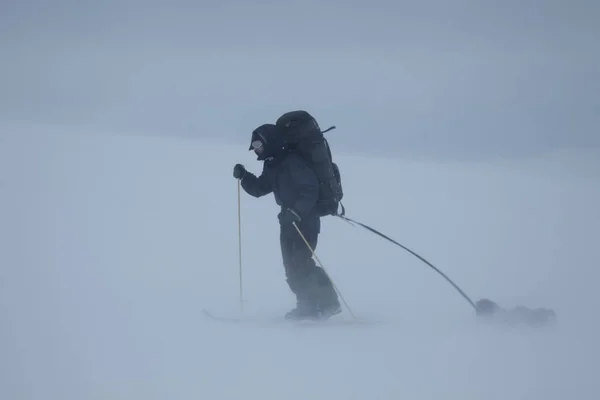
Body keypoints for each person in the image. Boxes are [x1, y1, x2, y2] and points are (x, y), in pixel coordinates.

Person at [233, 123, 341, 320]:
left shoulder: (292, 162)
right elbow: (260, 188)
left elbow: (310, 189)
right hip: (287, 221)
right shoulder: (273, 163)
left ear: (269, 141)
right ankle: (306, 305)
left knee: (302, 264)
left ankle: (329, 304)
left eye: (258, 144)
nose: (256, 149)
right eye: (254, 145)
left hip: (305, 220)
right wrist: (245, 177)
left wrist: (296, 212)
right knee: (291, 268)